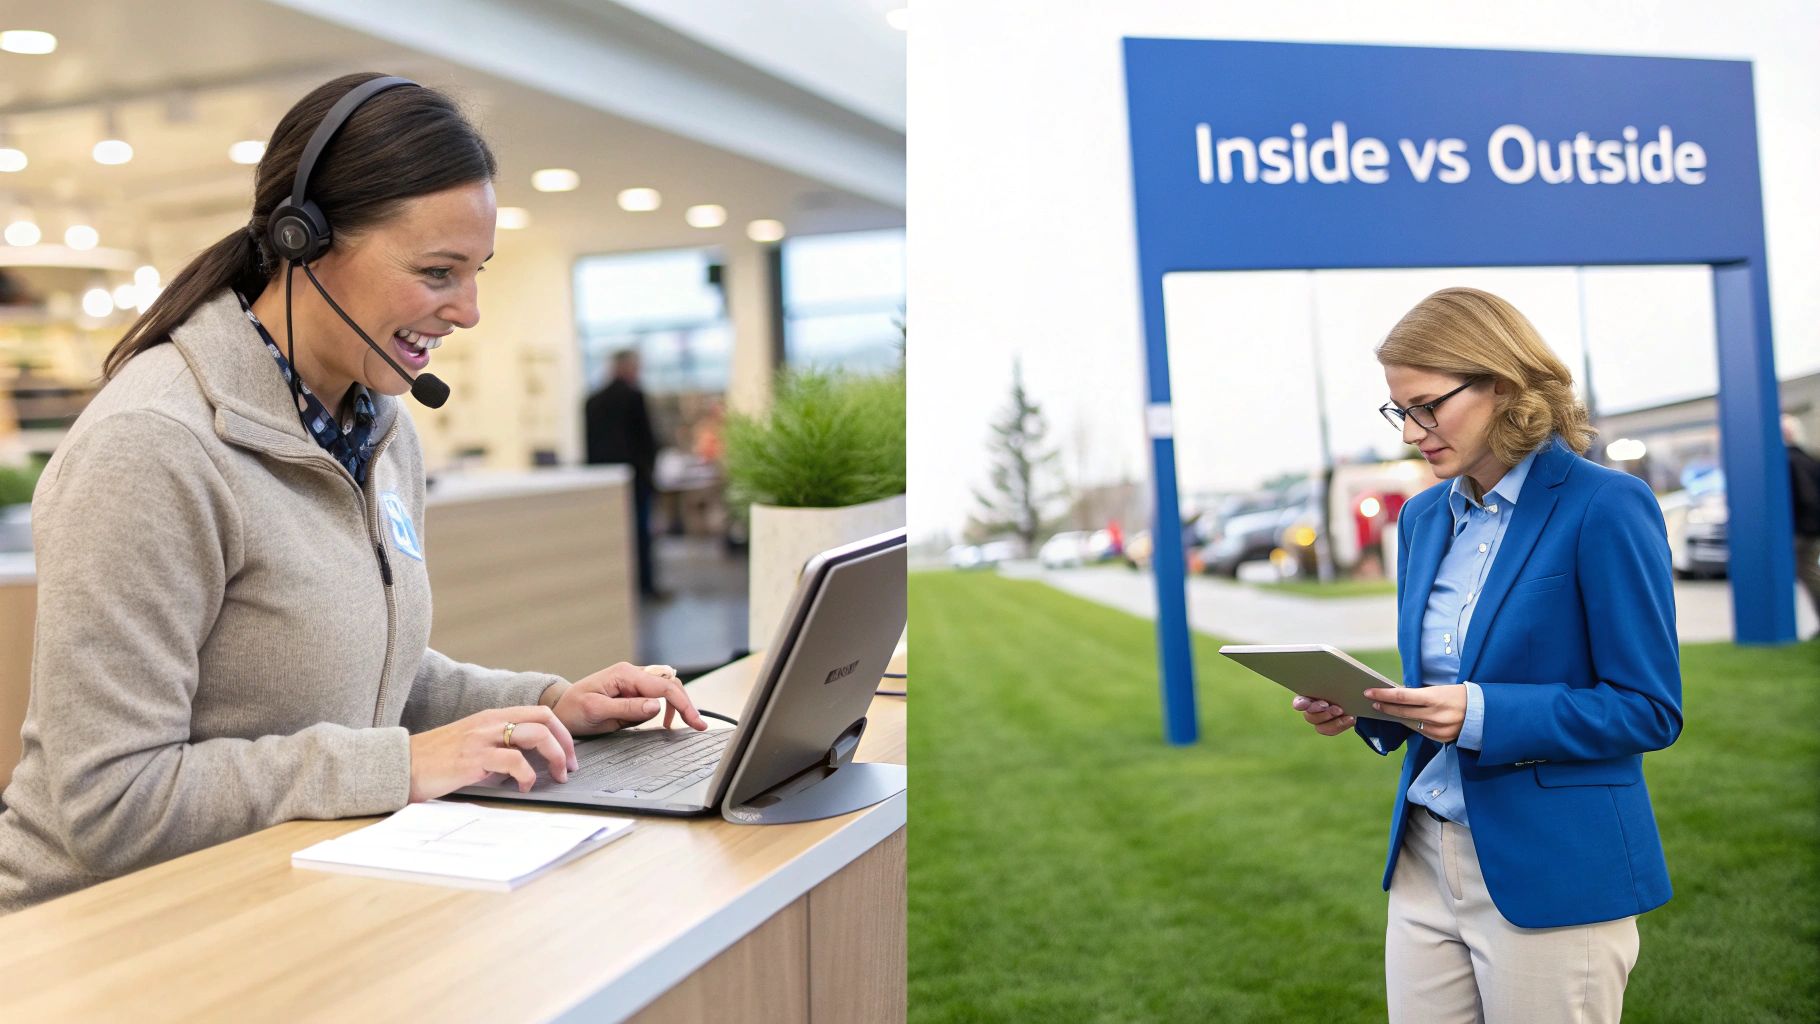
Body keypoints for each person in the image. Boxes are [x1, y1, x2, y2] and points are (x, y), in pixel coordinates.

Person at [0, 73, 707, 915]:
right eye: (439, 271)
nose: (469, 310)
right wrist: (398, 765)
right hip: (104, 932)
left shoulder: (378, 428)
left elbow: (362, 678)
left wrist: (547, 704)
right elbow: (110, 801)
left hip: (275, 895)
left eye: (476, 271)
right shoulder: (152, 447)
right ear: (304, 242)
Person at [1290, 287, 1682, 1023]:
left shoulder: (1604, 507)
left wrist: (1481, 711)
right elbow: (1437, 687)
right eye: (1399, 410)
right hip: (1423, 860)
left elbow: (1649, 709)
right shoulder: (1422, 518)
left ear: (1499, 383)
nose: (1411, 432)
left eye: (1426, 406)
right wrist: (1364, 705)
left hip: (1553, 871)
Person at [585, 350, 663, 598]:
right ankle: (644, 586)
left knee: (612, 535)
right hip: (636, 477)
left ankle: (617, 586)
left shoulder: (592, 400)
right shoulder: (634, 397)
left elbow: (590, 444)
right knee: (640, 534)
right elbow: (646, 440)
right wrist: (651, 472)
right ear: (627, 367)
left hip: (604, 480)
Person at [1784, 414, 1820, 636]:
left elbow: (1806, 497)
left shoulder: (1790, 460)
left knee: (1808, 572)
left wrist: (1800, 528)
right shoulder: (1809, 457)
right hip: (1810, 527)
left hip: (1804, 529)